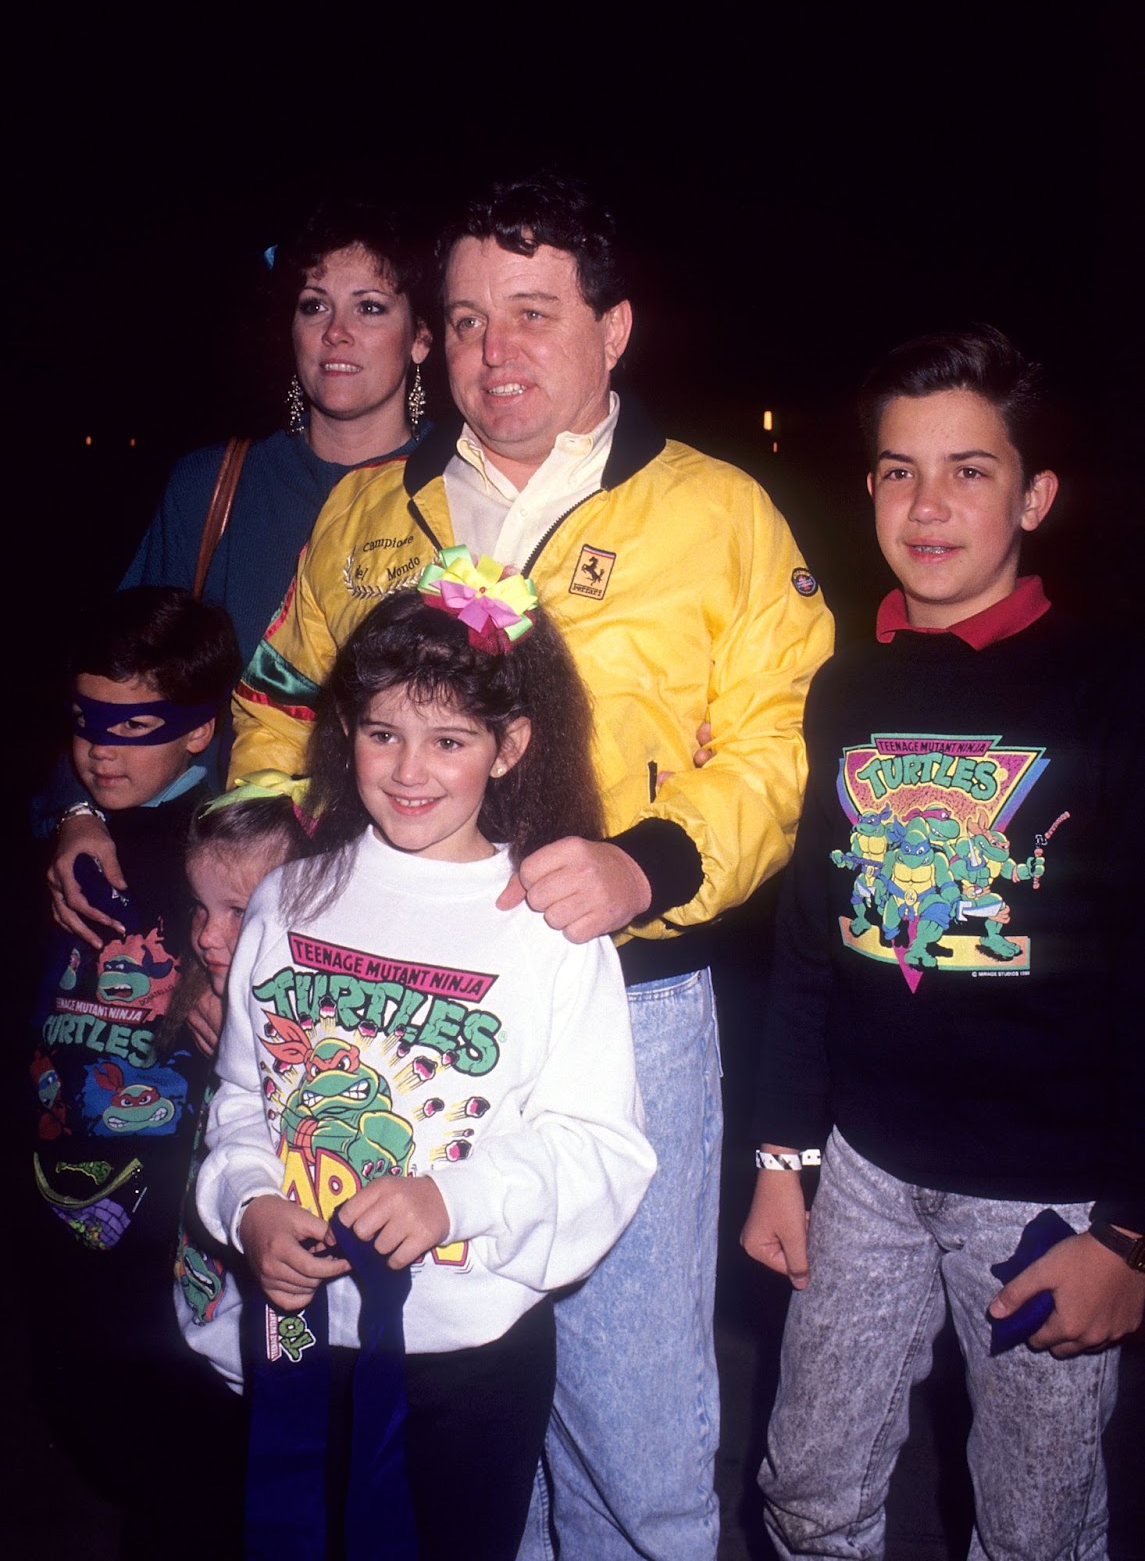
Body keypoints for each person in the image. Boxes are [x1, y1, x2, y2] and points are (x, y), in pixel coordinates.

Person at [227, 175, 835, 1560]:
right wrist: (250, 850)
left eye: (535, 315)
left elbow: (787, 735)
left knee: (630, 1416)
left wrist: (653, 862)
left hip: (625, 998)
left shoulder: (718, 512)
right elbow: (273, 706)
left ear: (614, 331)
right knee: (436, 1391)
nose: (494, 351)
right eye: (464, 319)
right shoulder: (371, 512)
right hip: (386, 1013)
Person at [740, 326, 1144, 1560]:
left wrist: (1128, 1232)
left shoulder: (1108, 686)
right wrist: (779, 1152)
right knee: (805, 1494)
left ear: (1033, 495)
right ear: (864, 485)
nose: (927, 505)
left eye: (968, 471)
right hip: (862, 1168)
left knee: (1031, 1530)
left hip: (1047, 1197)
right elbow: (813, 938)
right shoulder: (844, 688)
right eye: (897, 470)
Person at [196, 561, 656, 1560]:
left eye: (448, 740)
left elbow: (601, 1149)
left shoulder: (548, 927)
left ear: (508, 746)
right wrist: (246, 1204)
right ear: (345, 732)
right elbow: (238, 1098)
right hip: (302, 1342)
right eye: (383, 733)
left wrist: (455, 1198)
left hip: (466, 1360)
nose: (410, 770)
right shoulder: (290, 898)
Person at [49, 198, 432, 946]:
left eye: (371, 307)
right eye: (313, 305)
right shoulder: (213, 488)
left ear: (421, 339)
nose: (337, 333)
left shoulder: (461, 497)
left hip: (400, 899)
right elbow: (112, 677)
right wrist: (77, 813)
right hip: (213, 901)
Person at [27, 586, 243, 1561]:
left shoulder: (233, 856)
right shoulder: (63, 841)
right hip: (59, 1204)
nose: (100, 749)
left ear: (200, 733)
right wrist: (68, 814)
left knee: (188, 1480)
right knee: (82, 1413)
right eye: (84, 723)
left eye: (131, 727)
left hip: (182, 1229)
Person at [172, 780, 313, 1382]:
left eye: (237, 910)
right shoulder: (207, 991)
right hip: (206, 1300)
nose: (206, 935)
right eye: (199, 909)